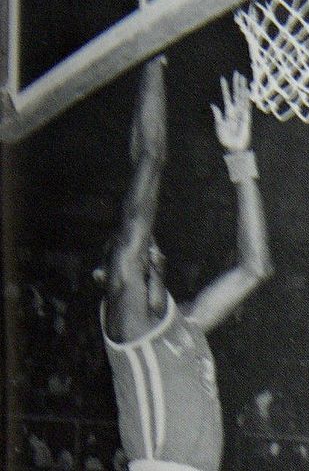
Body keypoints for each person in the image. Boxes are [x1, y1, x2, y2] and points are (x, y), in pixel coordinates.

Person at [100, 55, 273, 471]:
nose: (144, 246)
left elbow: (255, 268)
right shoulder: (129, 325)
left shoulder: (189, 323)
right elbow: (149, 158)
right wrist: (154, 56)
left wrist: (240, 156)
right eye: (132, 246)